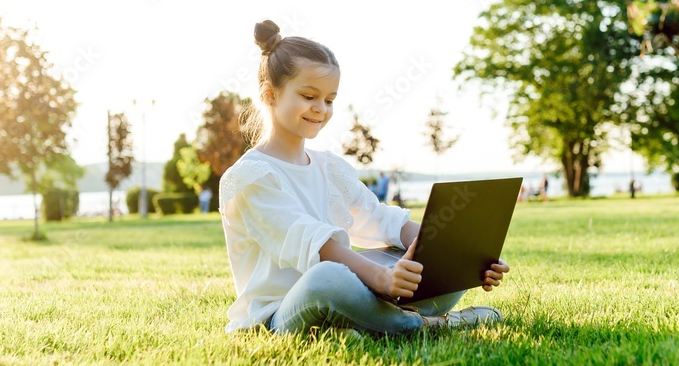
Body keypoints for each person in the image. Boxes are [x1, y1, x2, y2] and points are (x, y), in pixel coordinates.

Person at [218, 20, 510, 337]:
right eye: (308, 96)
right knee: (328, 275)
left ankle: (349, 328)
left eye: (329, 100)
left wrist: (463, 256)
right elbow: (316, 244)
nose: (320, 109)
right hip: (277, 316)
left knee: (421, 260)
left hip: (343, 299)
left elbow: (381, 220)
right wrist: (381, 279)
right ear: (270, 95)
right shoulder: (251, 175)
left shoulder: (329, 167)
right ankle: (428, 325)